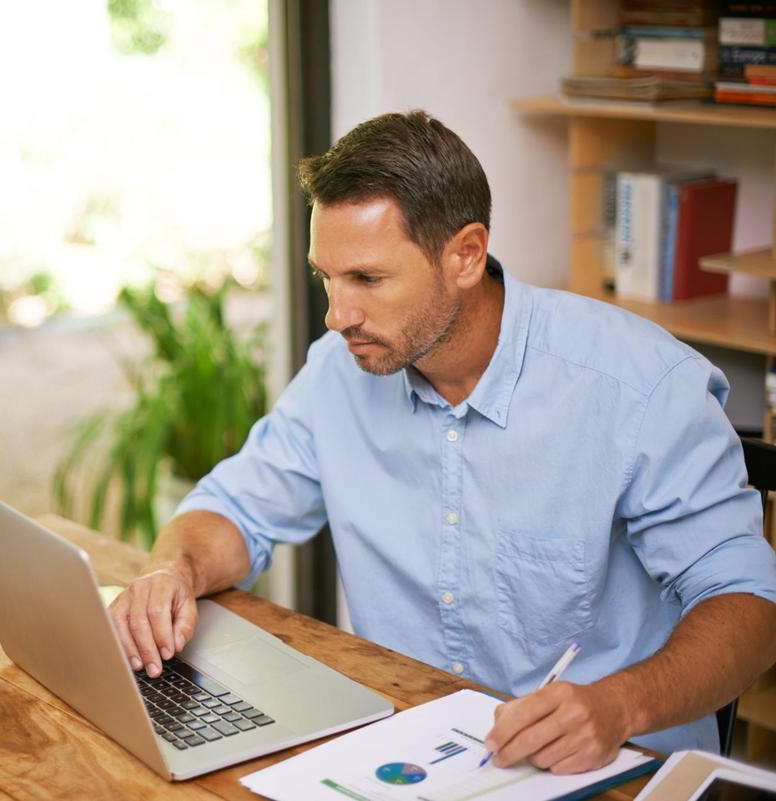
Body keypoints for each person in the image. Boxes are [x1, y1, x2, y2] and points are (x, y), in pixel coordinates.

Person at [108, 109, 776, 773]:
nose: (336, 315)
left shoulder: (640, 387)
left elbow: (751, 605)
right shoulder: (340, 372)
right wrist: (173, 570)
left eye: (367, 279)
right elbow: (235, 509)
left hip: (603, 768)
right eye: (326, 277)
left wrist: (619, 705)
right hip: (408, 752)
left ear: (465, 254)